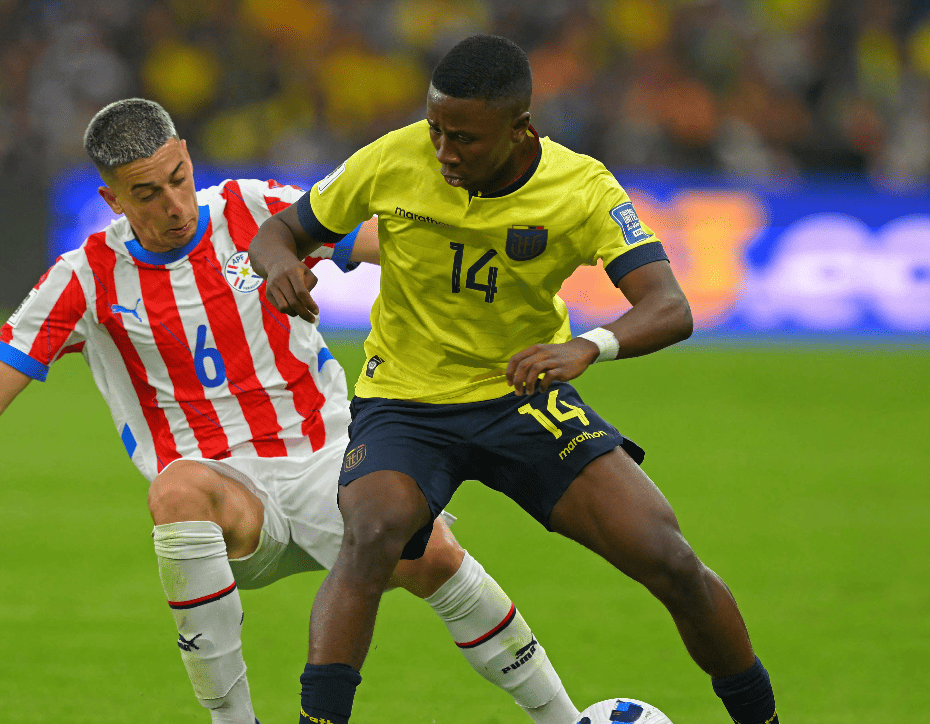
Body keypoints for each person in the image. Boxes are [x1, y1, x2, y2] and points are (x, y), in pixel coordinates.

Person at [0, 98, 582, 724]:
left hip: (330, 464)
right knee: (173, 491)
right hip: (224, 496)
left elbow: (388, 240)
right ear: (112, 197)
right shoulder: (85, 279)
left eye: (179, 177)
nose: (175, 203)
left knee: (439, 559)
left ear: (188, 157)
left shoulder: (255, 210)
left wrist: (494, 256)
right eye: (148, 192)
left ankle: (563, 717)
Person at [249, 36, 780, 724]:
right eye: (437, 130)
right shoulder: (393, 157)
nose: (443, 152)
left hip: (522, 397)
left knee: (668, 559)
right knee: (372, 534)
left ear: (519, 128)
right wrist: (279, 265)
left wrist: (590, 346)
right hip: (405, 403)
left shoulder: (580, 187)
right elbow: (279, 231)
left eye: (464, 138)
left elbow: (669, 307)